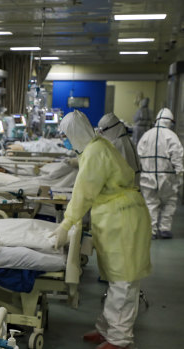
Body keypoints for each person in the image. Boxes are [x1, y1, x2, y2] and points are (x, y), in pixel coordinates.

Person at [54, 110, 151, 349]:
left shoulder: (96, 151)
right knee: (115, 279)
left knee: (123, 282)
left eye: (66, 135)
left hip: (123, 220)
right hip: (116, 217)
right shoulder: (95, 147)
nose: (65, 139)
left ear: (75, 134)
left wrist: (66, 223)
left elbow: (83, 192)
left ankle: (119, 338)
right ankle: (106, 328)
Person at [136, 108, 184, 239]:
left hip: (147, 177)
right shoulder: (172, 136)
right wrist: (180, 174)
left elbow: (138, 156)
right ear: (170, 122)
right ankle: (164, 229)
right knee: (170, 202)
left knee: (151, 203)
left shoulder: (146, 135)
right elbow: (178, 157)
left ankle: (151, 230)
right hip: (167, 177)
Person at [97, 113, 141, 186]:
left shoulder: (117, 145)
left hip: (125, 189)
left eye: (102, 132)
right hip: (134, 186)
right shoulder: (127, 140)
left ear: (111, 129)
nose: (102, 135)